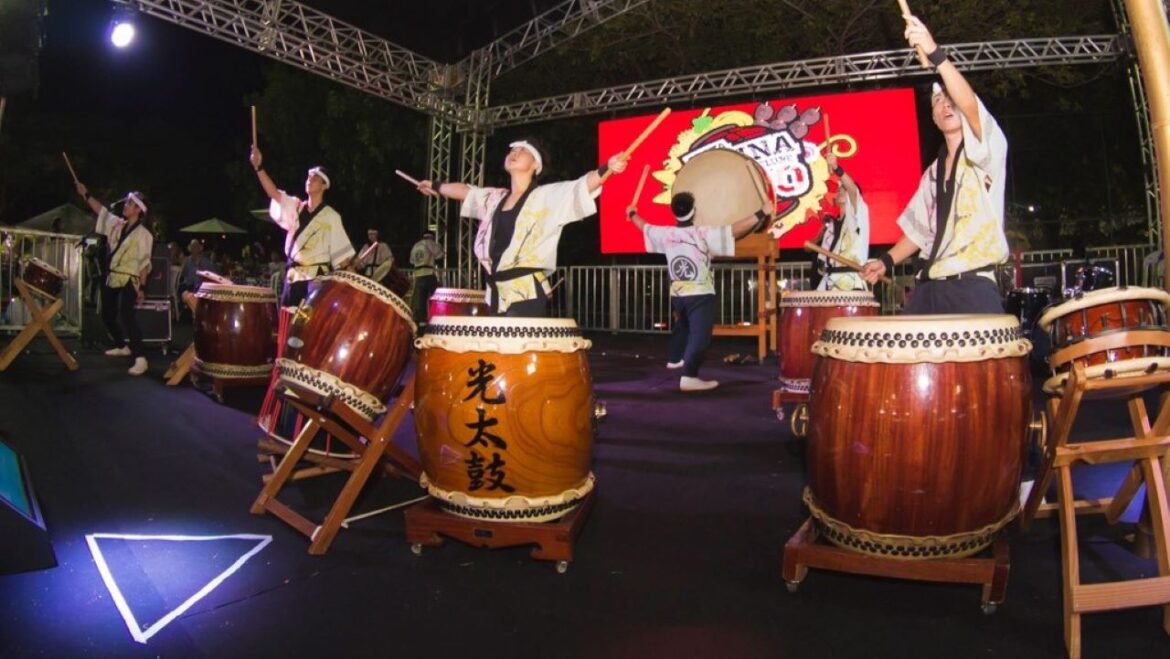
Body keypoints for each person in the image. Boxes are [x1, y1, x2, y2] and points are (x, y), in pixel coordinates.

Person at [860, 14, 1008, 314]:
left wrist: (935, 53)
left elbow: (968, 102)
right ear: (933, 117)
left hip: (973, 284)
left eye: (949, 97)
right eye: (938, 101)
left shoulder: (987, 151)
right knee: (896, 353)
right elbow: (918, 231)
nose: (946, 104)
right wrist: (885, 261)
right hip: (930, 284)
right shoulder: (931, 175)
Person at [415, 139, 628, 317]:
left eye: (523, 151)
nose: (515, 153)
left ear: (536, 164)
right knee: (499, 354)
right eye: (512, 150)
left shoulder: (545, 197)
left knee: (516, 352)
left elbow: (580, 185)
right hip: (495, 291)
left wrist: (607, 168)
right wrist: (435, 185)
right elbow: (466, 191)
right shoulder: (494, 197)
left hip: (526, 290)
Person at [627, 192, 768, 392]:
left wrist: (632, 213)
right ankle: (689, 377)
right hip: (700, 293)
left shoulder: (666, 233)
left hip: (678, 293)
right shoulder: (701, 233)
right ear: (694, 211)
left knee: (683, 325)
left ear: (674, 212)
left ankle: (675, 359)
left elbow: (644, 226)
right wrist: (762, 213)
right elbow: (734, 230)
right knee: (700, 336)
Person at [248, 146, 355, 307]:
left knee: (308, 329)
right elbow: (274, 193)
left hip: (315, 283)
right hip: (292, 279)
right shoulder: (296, 207)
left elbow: (342, 258)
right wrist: (259, 167)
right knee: (287, 325)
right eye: (308, 177)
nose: (309, 180)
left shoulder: (331, 217)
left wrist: (353, 277)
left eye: (315, 178)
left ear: (324, 185)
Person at [74, 181, 153, 376]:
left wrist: (142, 288)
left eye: (129, 204)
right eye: (126, 203)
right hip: (113, 276)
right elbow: (101, 211)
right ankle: (122, 345)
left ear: (138, 210)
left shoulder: (144, 235)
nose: (125, 206)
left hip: (130, 279)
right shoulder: (117, 225)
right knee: (107, 314)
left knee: (126, 315)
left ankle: (141, 358)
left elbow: (144, 263)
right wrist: (86, 195)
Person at [813, 152, 870, 291]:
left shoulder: (857, 215)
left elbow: (853, 190)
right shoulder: (831, 226)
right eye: (838, 189)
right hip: (830, 281)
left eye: (843, 189)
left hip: (851, 282)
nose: (839, 191)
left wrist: (837, 168)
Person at [408, 230, 444, 324]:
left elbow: (411, 261)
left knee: (420, 300)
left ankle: (421, 322)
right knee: (435, 297)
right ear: (431, 237)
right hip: (429, 274)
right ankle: (437, 318)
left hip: (418, 275)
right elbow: (440, 255)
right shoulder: (431, 243)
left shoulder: (415, 246)